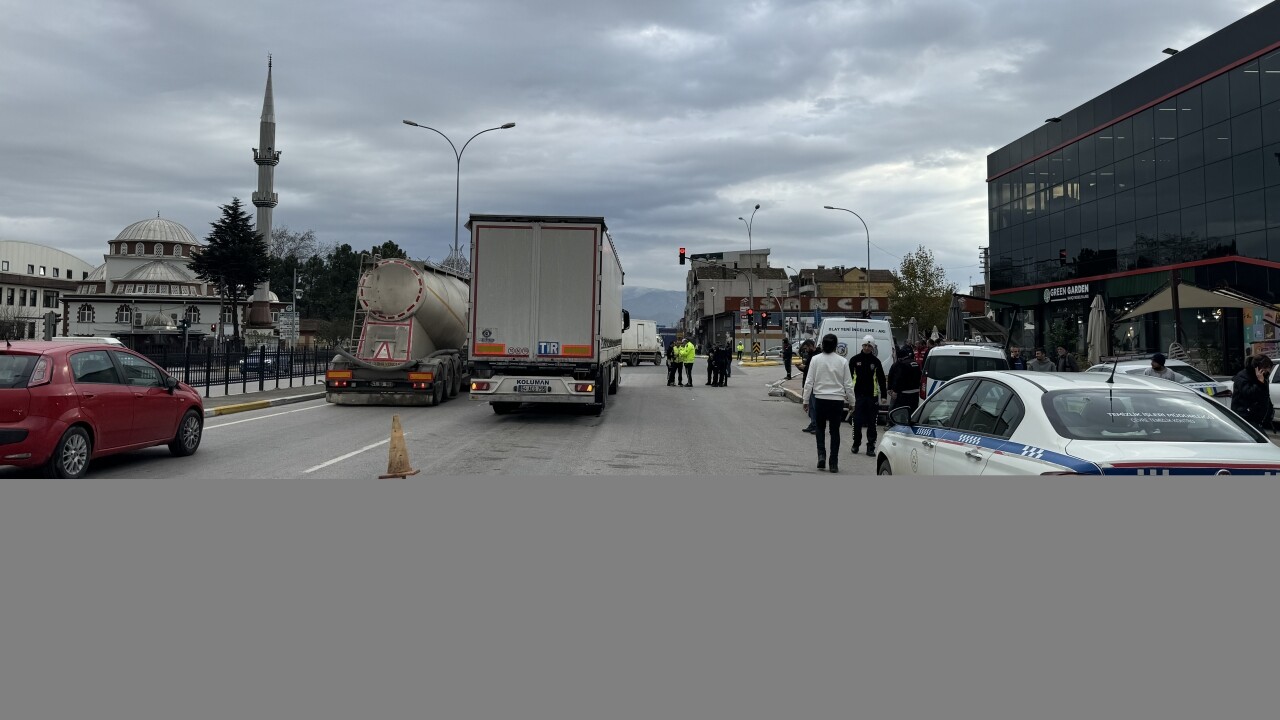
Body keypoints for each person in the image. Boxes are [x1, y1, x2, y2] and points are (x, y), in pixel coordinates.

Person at [802, 333, 855, 472]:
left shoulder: (815, 359)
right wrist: (852, 402)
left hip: (820, 399)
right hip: (837, 401)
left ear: (822, 345)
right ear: (836, 346)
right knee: (834, 431)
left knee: (820, 428)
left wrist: (805, 400)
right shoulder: (842, 361)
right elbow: (848, 385)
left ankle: (821, 455)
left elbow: (809, 382)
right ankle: (833, 462)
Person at [848, 335, 887, 457]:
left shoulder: (876, 362)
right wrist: (847, 393)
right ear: (862, 345)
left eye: (869, 346)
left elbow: (881, 379)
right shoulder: (854, 360)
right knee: (857, 422)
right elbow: (848, 379)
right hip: (857, 396)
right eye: (865, 345)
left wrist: (884, 396)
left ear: (873, 347)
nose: (867, 348)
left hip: (872, 397)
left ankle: (871, 446)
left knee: (872, 423)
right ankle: (856, 443)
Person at [1231, 354, 1273, 431]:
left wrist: (1270, 410)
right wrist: (1260, 382)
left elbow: (1265, 395)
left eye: (1269, 368)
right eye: (1266, 368)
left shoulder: (1263, 377)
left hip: (1258, 416)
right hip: (1245, 416)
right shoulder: (1242, 376)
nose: (1268, 370)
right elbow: (1248, 393)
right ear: (1257, 368)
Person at [887, 343, 922, 416]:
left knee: (898, 411)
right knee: (912, 412)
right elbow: (920, 376)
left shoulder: (900, 364)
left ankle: (891, 421)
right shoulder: (915, 363)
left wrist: (893, 390)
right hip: (915, 393)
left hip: (904, 394)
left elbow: (898, 378)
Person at [798, 339, 819, 433]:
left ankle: (817, 426)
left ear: (811, 346)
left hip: (815, 384)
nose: (806, 350)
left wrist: (805, 367)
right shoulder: (811, 355)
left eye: (806, 348)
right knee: (811, 407)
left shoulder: (817, 356)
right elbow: (808, 370)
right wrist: (801, 368)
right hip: (809, 383)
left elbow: (813, 370)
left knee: (815, 406)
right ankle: (813, 423)